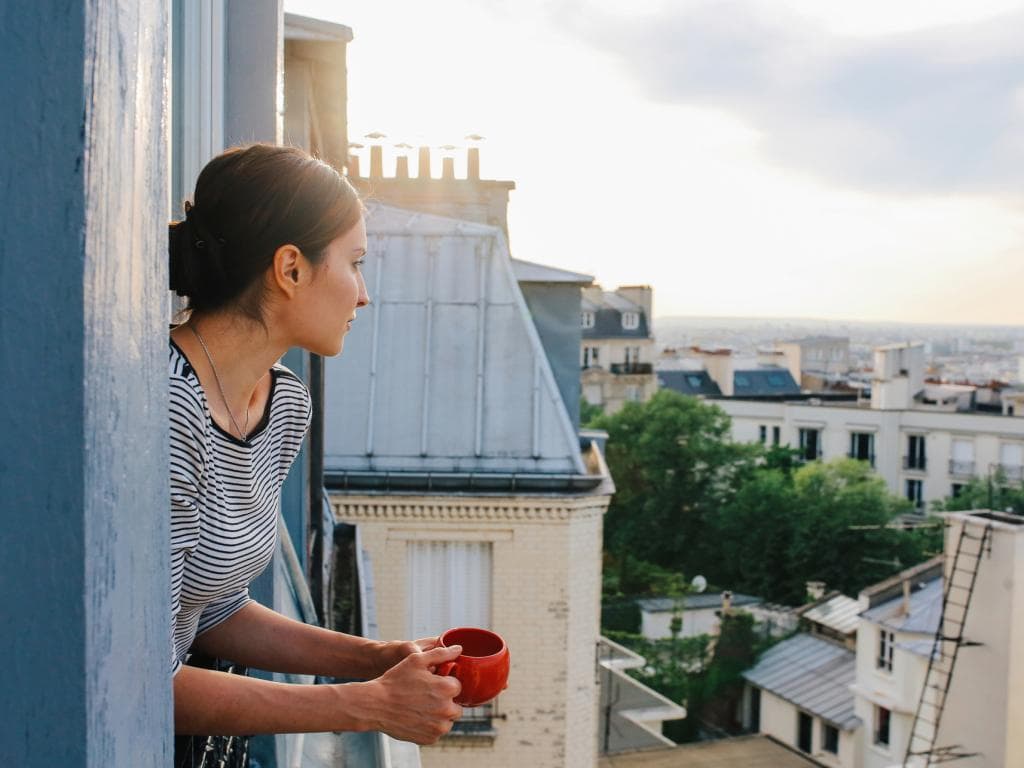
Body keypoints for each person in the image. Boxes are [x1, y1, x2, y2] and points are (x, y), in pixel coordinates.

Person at [167, 144, 462, 750]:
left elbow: (215, 610)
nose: (363, 293)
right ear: (291, 268)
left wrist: (377, 657)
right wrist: (368, 705)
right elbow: (143, 678)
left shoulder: (283, 405)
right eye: (355, 262)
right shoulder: (170, 407)